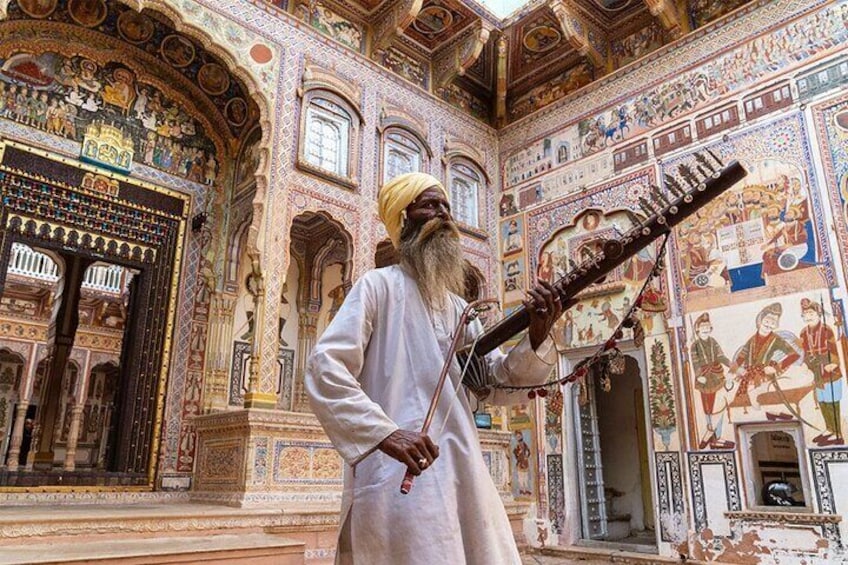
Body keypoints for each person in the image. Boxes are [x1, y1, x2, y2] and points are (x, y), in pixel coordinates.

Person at [306, 172, 562, 565]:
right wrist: (387, 433)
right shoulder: (377, 287)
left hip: (461, 471)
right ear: (404, 220)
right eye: (429, 205)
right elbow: (326, 367)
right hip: (398, 476)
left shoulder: (460, 309)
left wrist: (537, 336)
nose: (443, 215)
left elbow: (492, 384)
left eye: (446, 207)